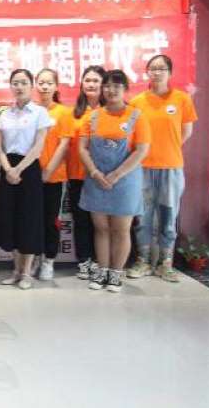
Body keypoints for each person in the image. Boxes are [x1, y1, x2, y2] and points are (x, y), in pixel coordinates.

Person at [78, 69, 151, 292]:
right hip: (96, 179)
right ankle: (102, 270)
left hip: (125, 181)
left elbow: (141, 150)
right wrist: (95, 173)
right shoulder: (92, 116)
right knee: (101, 228)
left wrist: (116, 175)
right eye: (107, 86)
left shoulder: (137, 116)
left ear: (125, 89)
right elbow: (82, 148)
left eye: (117, 86)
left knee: (121, 229)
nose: (111, 90)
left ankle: (116, 274)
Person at [127, 54, 197, 282]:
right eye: (153, 68)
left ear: (170, 73)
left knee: (168, 216)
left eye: (162, 68)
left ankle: (165, 264)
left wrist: (168, 148)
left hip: (171, 168)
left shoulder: (181, 99)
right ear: (147, 72)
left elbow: (186, 132)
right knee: (143, 218)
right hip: (142, 169)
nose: (156, 73)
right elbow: (131, 135)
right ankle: (143, 261)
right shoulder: (137, 102)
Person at [0, 69, 51, 290]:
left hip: (28, 168)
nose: (19, 87)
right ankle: (16, 270)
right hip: (8, 168)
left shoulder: (39, 113)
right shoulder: (4, 114)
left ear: (31, 85)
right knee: (10, 219)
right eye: (15, 83)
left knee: (28, 219)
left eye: (24, 82)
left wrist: (18, 169)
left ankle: (27, 272)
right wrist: (8, 169)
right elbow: (0, 147)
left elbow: (38, 147)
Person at [68, 65, 106, 280]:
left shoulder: (111, 111)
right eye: (87, 80)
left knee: (101, 222)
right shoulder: (74, 113)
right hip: (77, 174)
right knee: (81, 220)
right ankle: (84, 260)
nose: (91, 84)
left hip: (102, 176)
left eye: (96, 80)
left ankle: (102, 261)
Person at [34, 68, 73, 281]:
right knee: (33, 219)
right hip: (31, 176)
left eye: (49, 83)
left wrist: (48, 170)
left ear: (56, 86)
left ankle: (48, 260)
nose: (45, 87)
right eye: (41, 82)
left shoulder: (63, 113)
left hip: (54, 177)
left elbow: (64, 144)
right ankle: (34, 258)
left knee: (51, 220)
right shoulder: (31, 110)